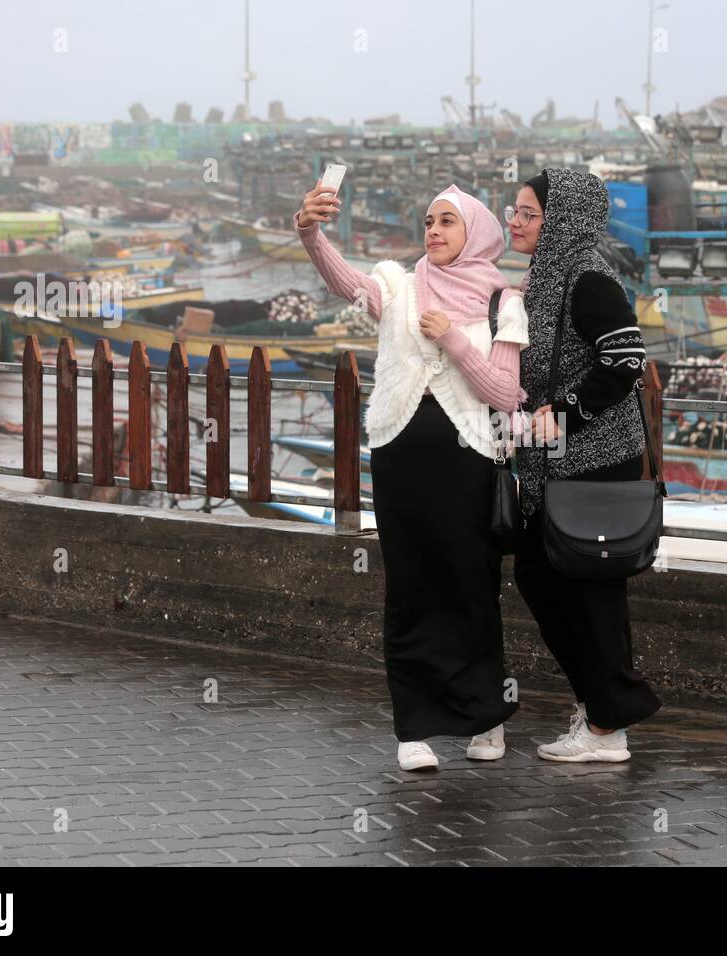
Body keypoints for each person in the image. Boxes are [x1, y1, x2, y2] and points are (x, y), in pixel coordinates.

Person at [297, 181, 528, 772]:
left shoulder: (505, 300)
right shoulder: (397, 288)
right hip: (401, 457)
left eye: (448, 221)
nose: (434, 231)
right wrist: (310, 232)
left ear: (474, 231)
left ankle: (485, 719)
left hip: (469, 459)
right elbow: (345, 283)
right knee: (410, 587)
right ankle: (414, 727)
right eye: (428, 221)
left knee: (472, 585)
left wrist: (451, 337)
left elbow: (505, 393)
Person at [507, 168, 662, 763]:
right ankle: (601, 708)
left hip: (594, 464)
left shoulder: (589, 278)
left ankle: (607, 728)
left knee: (590, 596)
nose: (515, 223)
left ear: (563, 220)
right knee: (541, 577)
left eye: (528, 214)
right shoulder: (547, 275)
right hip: (554, 466)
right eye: (514, 211)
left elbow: (624, 359)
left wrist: (565, 414)